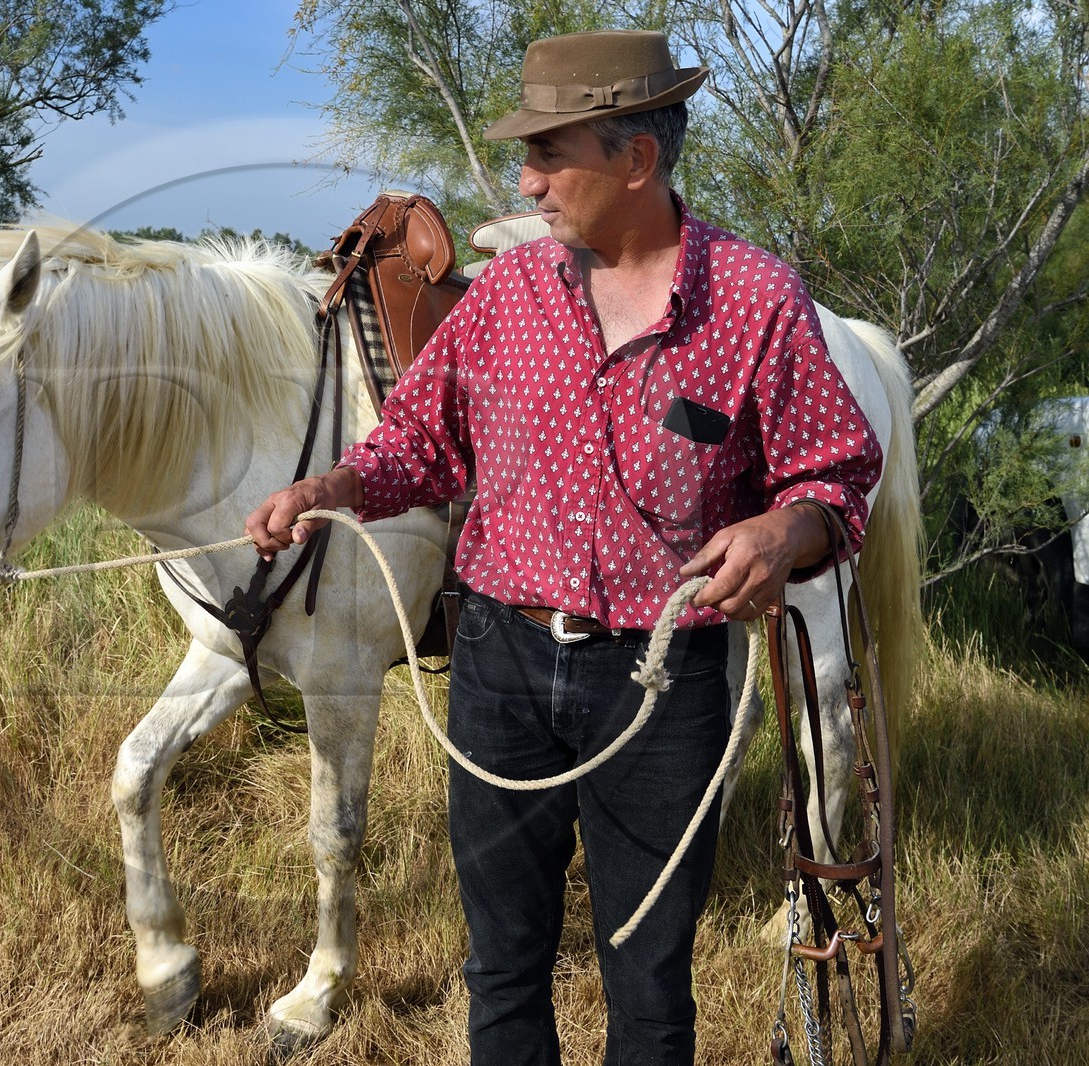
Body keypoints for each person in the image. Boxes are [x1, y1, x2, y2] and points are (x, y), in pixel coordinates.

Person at [245, 28, 881, 1066]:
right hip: (497, 664)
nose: (526, 180)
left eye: (550, 152)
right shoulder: (505, 295)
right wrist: (335, 486)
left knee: (646, 977)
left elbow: (835, 474)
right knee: (499, 967)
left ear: (635, 159)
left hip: (662, 684)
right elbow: (418, 441)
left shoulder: (757, 302)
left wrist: (785, 526)